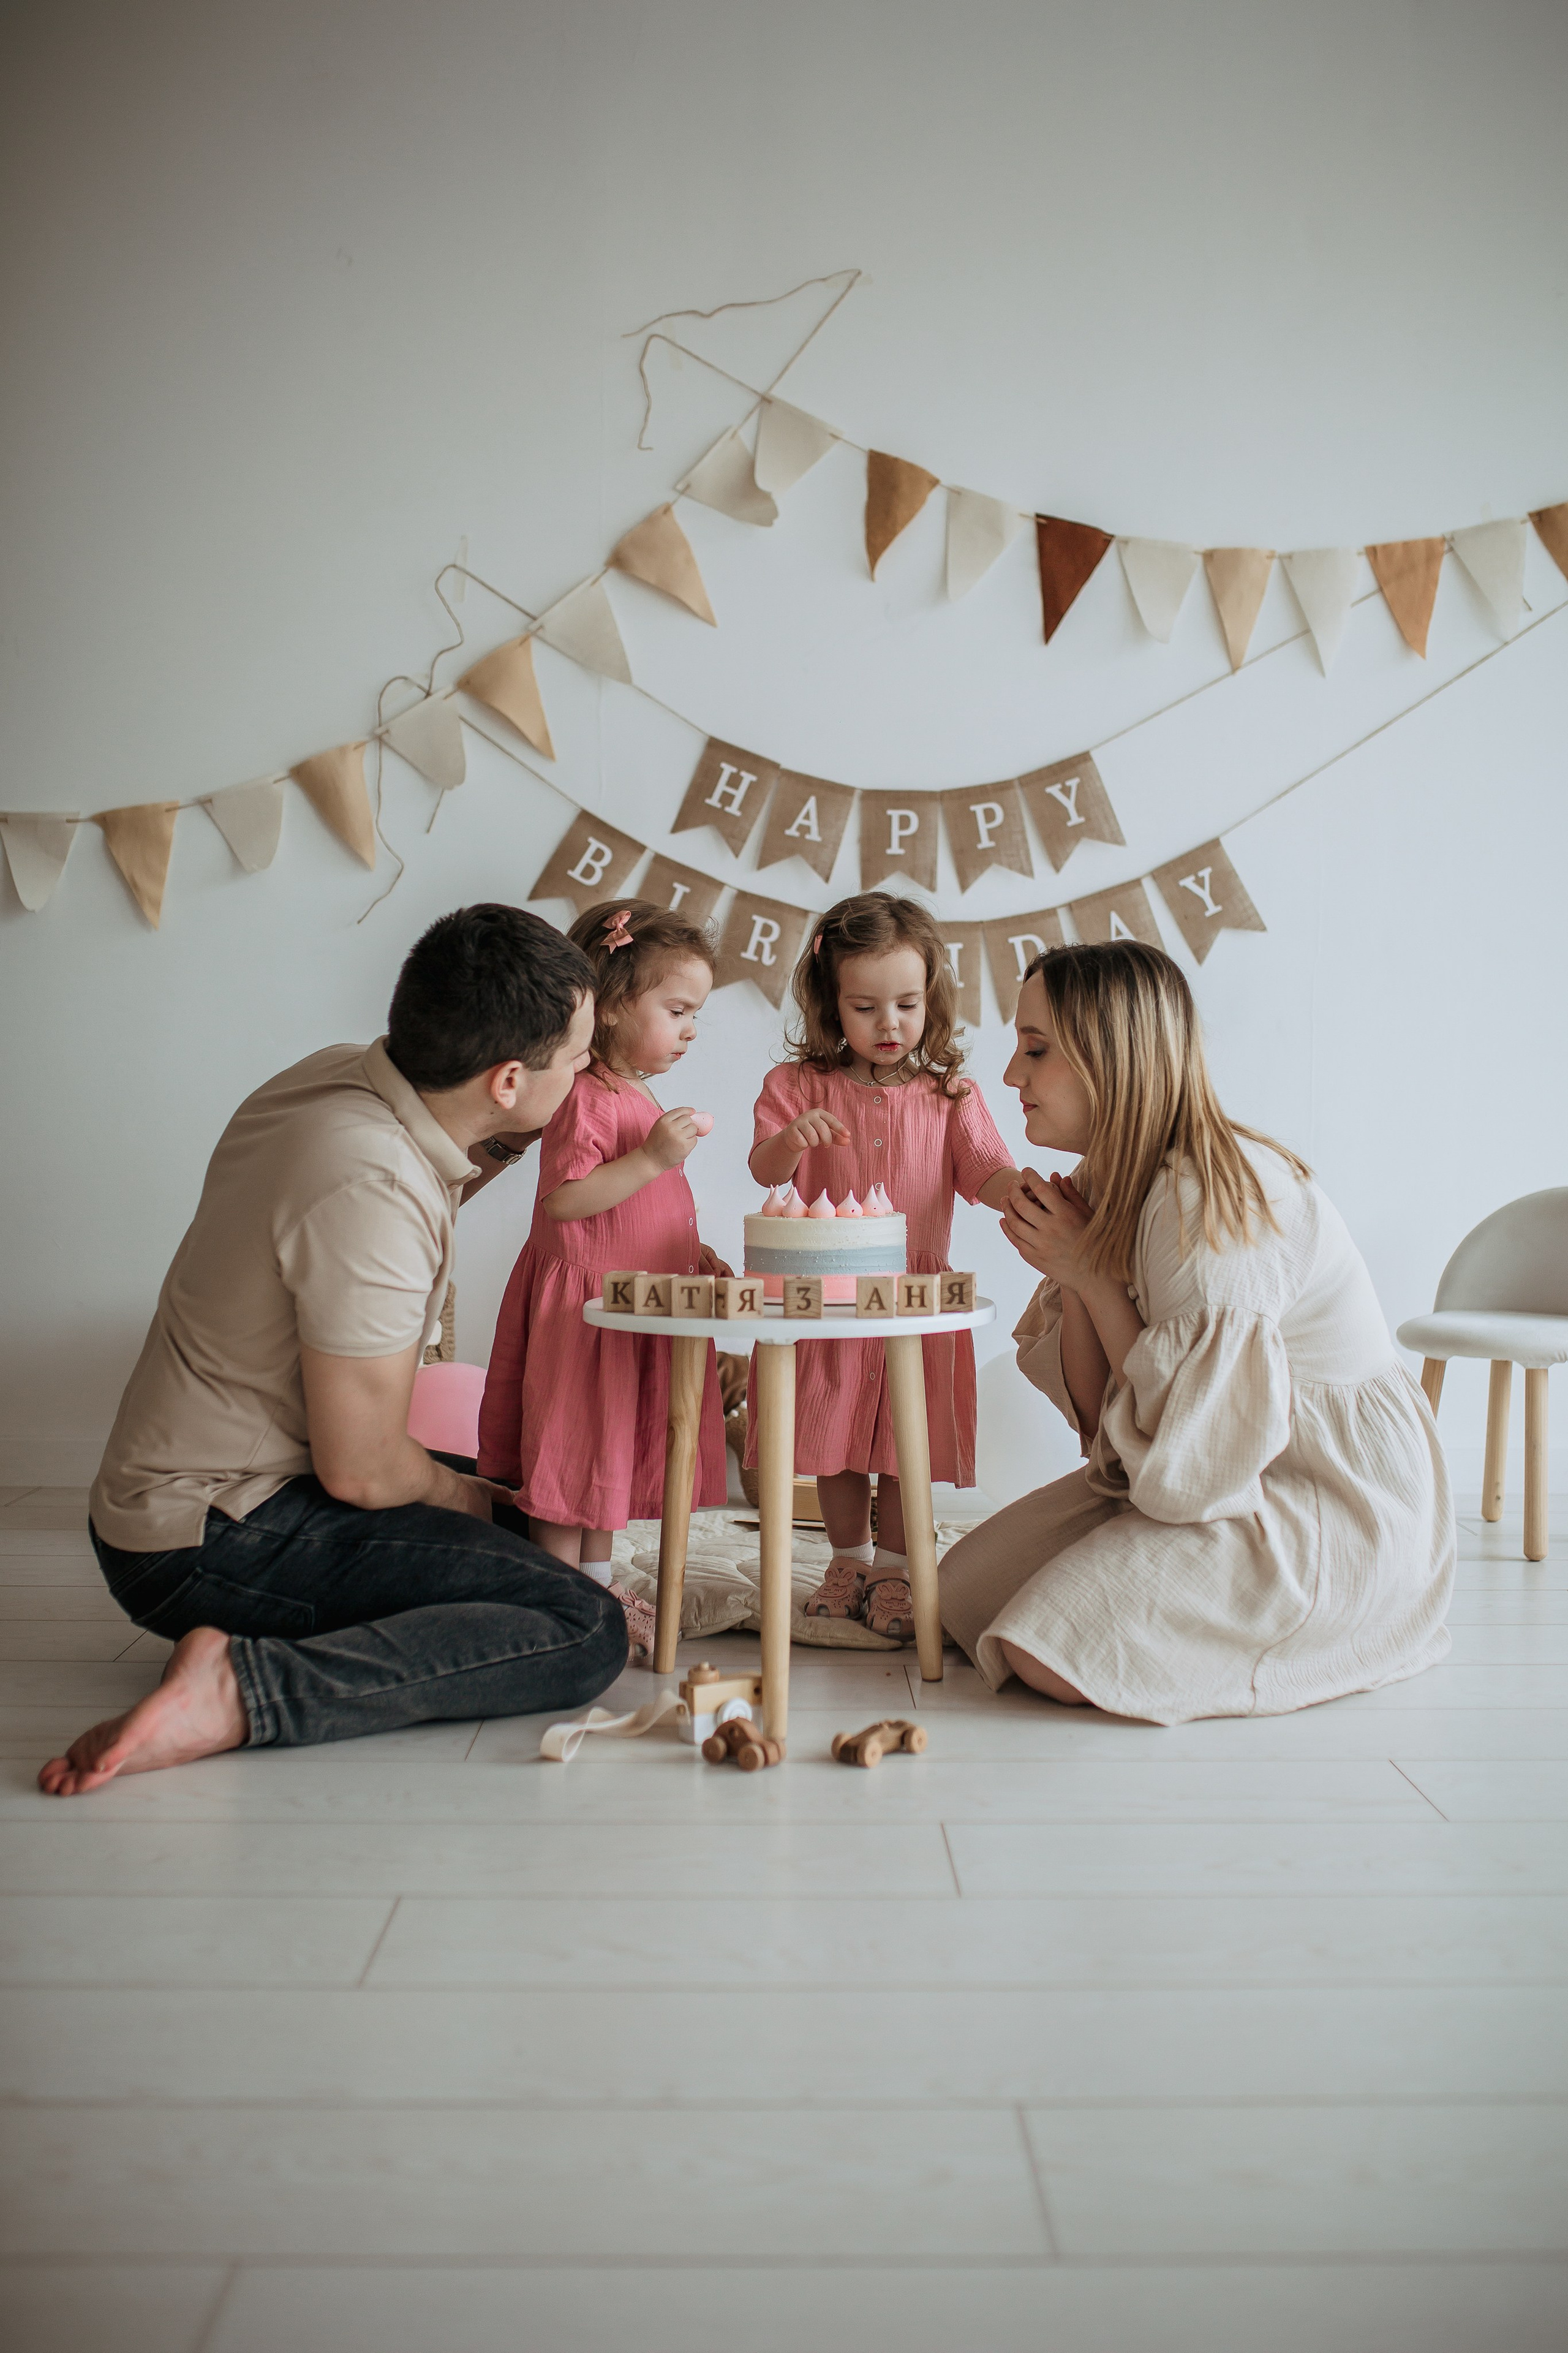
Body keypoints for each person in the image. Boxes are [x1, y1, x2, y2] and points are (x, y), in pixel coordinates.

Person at [39, 904, 628, 1797]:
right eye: (579, 1057)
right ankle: (244, 1690)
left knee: (543, 1492)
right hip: (212, 1534)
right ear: (508, 1078)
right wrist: (470, 1499)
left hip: (232, 1483)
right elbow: (363, 1469)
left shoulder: (341, 1080)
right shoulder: (370, 1180)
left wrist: (493, 1498)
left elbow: (415, 1192)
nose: (589, 1070)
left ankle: (279, 1639)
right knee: (582, 1625)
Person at [938, 940, 1455, 1722]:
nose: (1011, 1076)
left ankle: (1335, 1618)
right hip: (1190, 1464)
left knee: (1043, 1650)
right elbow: (1100, 1426)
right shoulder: (1108, 1179)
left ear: (1110, 1059)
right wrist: (1077, 1274)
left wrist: (1091, 1274)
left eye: (1036, 1050)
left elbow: (1197, 1465)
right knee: (959, 1593)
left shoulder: (1206, 1201)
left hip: (1314, 1490)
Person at [747, 891, 1019, 1641]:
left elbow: (986, 1171)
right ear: (831, 1004)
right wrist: (793, 1140)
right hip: (830, 1295)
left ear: (931, 998)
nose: (889, 1024)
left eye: (907, 1004)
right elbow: (763, 1167)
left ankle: (896, 1568)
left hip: (913, 1300)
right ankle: (849, 1560)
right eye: (865, 1007)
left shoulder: (951, 1095)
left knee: (906, 1439)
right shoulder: (797, 1087)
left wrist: (1023, 1191)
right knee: (833, 1438)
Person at [477, 901, 731, 1633]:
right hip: (584, 1309)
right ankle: (558, 1599)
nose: (690, 1029)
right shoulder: (584, 1093)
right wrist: (651, 1157)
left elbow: (639, 1208)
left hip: (628, 1301)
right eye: (677, 1010)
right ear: (613, 1005)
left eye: (695, 1014)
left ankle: (595, 1586)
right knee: (570, 1456)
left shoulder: (632, 1088)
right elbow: (566, 1201)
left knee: (605, 1457)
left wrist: (691, 1255)